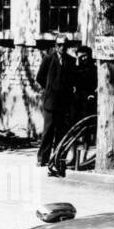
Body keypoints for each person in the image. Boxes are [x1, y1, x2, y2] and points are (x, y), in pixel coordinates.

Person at [36, 33, 74, 166]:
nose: (62, 48)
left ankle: (57, 159)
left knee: (61, 133)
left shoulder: (71, 60)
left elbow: (71, 81)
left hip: (64, 102)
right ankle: (42, 159)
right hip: (51, 102)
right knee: (48, 131)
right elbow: (40, 78)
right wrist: (50, 89)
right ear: (55, 45)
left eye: (65, 45)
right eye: (59, 45)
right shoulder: (48, 59)